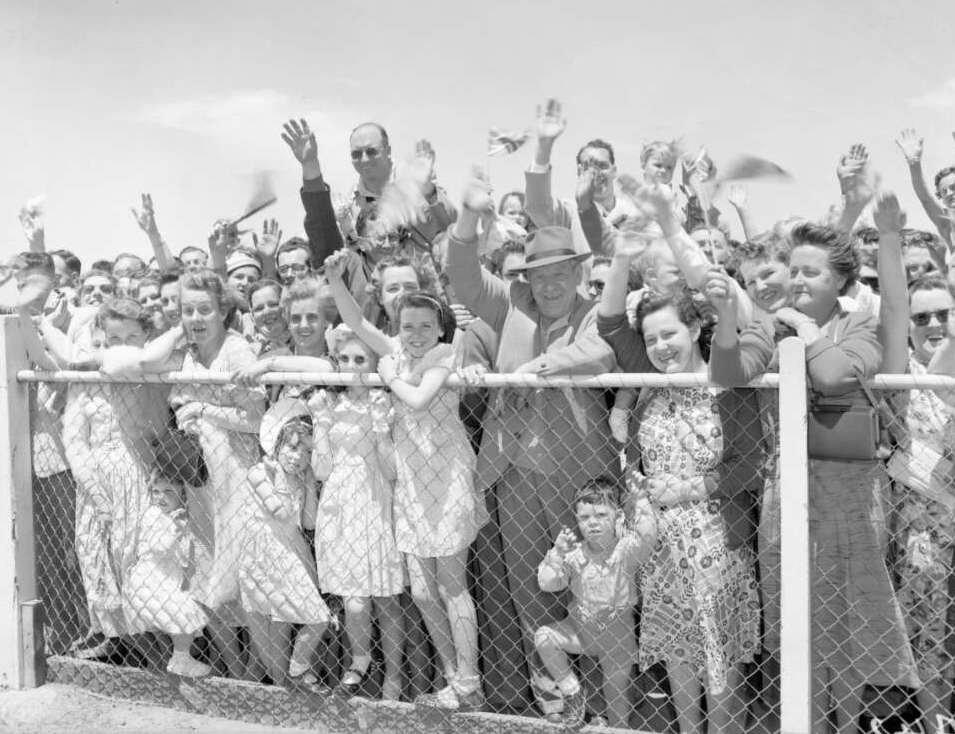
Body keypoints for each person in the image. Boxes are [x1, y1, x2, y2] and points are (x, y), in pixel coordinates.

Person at [708, 222, 920, 733]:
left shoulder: (859, 325)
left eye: (811, 271)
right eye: (794, 269)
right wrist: (724, 320)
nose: (798, 280)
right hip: (789, 496)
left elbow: (832, 376)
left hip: (851, 495)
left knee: (850, 626)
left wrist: (805, 332)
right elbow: (729, 373)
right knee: (800, 626)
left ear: (840, 281)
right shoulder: (768, 324)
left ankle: (849, 726)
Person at [445, 170, 618, 712]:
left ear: (577, 272)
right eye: (539, 275)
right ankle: (553, 695)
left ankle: (602, 698)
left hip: (579, 478)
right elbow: (463, 276)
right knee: (528, 584)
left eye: (560, 273)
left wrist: (544, 365)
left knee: (591, 587)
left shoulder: (595, 312)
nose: (548, 285)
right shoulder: (511, 303)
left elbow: (604, 352)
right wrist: (469, 218)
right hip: (513, 472)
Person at [60, 299, 170, 660]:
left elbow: (156, 430)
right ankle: (117, 638)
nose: (122, 343)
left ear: (146, 337)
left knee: (138, 555)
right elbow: (74, 439)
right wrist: (95, 490)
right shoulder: (87, 379)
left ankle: (159, 649)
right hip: (96, 478)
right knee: (96, 554)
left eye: (132, 336)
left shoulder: (152, 374)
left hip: (140, 474)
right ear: (102, 338)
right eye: (114, 337)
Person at [308, 325, 405, 700]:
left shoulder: (385, 402)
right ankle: (360, 659)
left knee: (385, 596)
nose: (352, 367)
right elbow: (320, 470)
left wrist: (381, 430)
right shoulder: (329, 405)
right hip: (340, 502)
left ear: (375, 362)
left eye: (360, 359)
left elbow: (392, 471)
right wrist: (320, 423)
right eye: (345, 359)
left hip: (374, 498)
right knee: (353, 600)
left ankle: (393, 677)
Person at [533, 477, 657, 729]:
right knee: (544, 637)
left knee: (616, 698)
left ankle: (618, 727)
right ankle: (571, 690)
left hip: (617, 638)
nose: (592, 523)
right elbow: (547, 582)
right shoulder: (575, 553)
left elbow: (648, 538)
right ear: (577, 520)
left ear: (618, 516)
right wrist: (557, 554)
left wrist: (641, 500)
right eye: (584, 517)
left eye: (601, 514)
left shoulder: (625, 550)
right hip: (580, 631)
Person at [238, 405, 331, 686]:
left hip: (290, 552)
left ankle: (298, 666)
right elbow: (278, 511)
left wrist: (309, 484)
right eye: (292, 448)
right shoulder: (259, 472)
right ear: (276, 444)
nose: (298, 457)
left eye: (307, 453)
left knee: (315, 618)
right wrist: (280, 476)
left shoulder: (299, 478)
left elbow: (310, 522)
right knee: (271, 623)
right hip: (264, 554)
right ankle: (282, 686)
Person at [524, 98, 635, 256]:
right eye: (589, 167)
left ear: (614, 170)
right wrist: (544, 146)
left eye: (602, 166)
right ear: (578, 172)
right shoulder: (569, 214)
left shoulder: (635, 213)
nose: (596, 173)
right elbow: (537, 206)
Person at [125, 472, 210, 678]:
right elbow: (159, 547)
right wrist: (176, 528)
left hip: (164, 577)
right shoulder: (153, 515)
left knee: (183, 618)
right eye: (156, 492)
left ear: (182, 494)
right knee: (182, 612)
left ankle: (180, 658)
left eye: (168, 492)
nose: (161, 497)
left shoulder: (178, 516)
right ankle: (179, 659)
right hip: (150, 579)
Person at [894, 129, 953, 247]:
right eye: (944, 191)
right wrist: (914, 164)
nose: (949, 193)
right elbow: (925, 198)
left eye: (954, 187)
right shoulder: (947, 224)